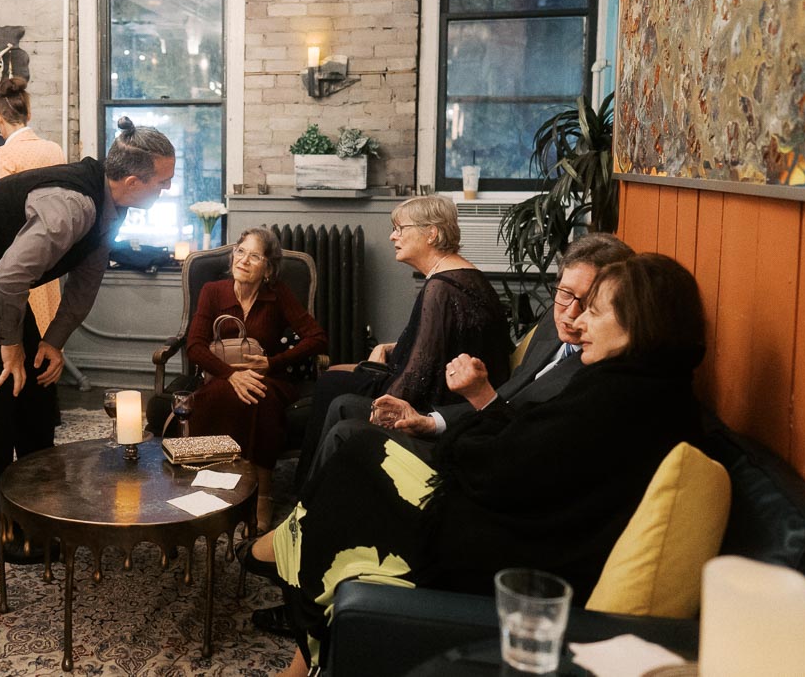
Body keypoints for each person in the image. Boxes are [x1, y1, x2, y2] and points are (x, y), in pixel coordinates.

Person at [248, 252, 708, 677]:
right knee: (355, 448)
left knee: (354, 456)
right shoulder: (639, 385)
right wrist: (474, 431)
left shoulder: (619, 396)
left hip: (500, 548)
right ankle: (296, 573)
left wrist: (464, 435)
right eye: (571, 300)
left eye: (594, 310)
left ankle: (289, 562)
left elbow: (503, 467)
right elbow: (524, 445)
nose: (578, 318)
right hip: (501, 509)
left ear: (639, 322)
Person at [0, 116, 175, 563]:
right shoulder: (70, 207)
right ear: (131, 181)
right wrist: (9, 347)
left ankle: (42, 509)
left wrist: (52, 340)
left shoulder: (114, 204)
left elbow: (85, 282)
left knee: (34, 381)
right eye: (163, 182)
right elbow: (7, 281)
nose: (167, 188)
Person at [295, 194, 511, 482]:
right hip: (449, 392)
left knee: (333, 387)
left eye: (400, 229)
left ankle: (309, 490)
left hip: (440, 403)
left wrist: (388, 405)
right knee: (335, 384)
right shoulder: (463, 274)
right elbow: (447, 339)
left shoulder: (441, 287)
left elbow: (419, 373)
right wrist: (389, 348)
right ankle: (314, 487)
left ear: (431, 233)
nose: (392, 236)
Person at [185, 226, 327, 531]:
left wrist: (272, 362)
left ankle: (262, 493)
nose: (243, 260)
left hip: (271, 379)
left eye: (254, 256)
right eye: (240, 251)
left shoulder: (278, 296)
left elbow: (317, 338)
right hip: (221, 376)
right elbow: (194, 345)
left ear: (268, 268)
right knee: (221, 393)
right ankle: (215, 484)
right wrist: (231, 375)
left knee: (259, 396)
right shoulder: (213, 291)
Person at [0, 76, 67, 335]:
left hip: (21, 247)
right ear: (29, 115)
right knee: (48, 319)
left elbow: (4, 212)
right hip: (53, 246)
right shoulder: (53, 150)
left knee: (22, 324)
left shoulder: (4, 154)